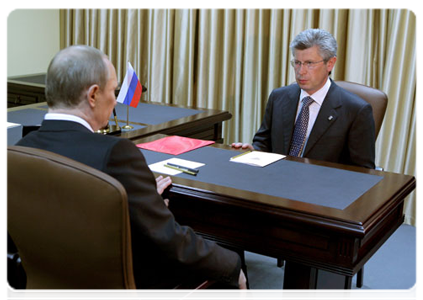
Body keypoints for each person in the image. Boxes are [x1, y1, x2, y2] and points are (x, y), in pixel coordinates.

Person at [16, 45, 247, 300]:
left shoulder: (20, 150)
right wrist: (232, 267)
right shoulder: (116, 154)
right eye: (113, 91)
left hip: (49, 283)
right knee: (230, 260)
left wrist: (140, 198)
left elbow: (67, 211)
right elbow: (167, 238)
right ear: (93, 95)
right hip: (125, 288)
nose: (115, 100)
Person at [232, 28, 375, 169]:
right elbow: (263, 143)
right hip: (276, 180)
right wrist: (253, 150)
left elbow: (362, 171)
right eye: (297, 63)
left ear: (330, 63)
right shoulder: (279, 97)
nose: (301, 71)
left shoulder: (356, 110)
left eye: (309, 63)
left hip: (322, 187)